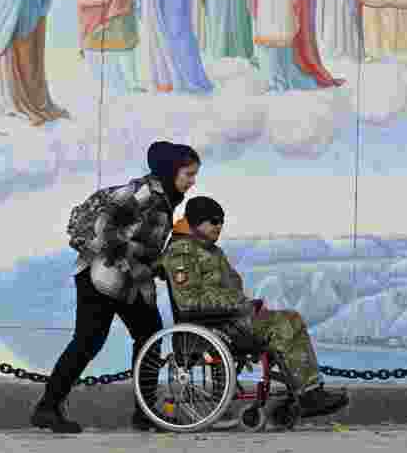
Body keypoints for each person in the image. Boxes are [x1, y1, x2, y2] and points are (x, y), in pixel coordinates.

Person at [31, 141, 201, 434]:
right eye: (188, 173)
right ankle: (48, 408)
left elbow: (140, 239)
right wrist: (128, 259)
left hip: (124, 278)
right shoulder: (144, 193)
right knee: (90, 340)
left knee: (147, 334)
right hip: (100, 275)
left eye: (194, 174)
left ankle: (144, 412)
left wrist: (152, 264)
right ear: (171, 171)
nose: (192, 180)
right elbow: (104, 223)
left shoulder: (166, 199)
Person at [158, 196, 350, 418]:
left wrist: (244, 305)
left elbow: (226, 290)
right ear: (196, 222)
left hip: (228, 321)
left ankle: (307, 392)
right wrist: (240, 305)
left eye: (221, 221)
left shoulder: (211, 251)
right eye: (213, 221)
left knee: (291, 319)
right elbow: (189, 301)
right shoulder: (182, 251)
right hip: (210, 329)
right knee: (283, 325)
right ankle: (308, 396)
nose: (219, 226)